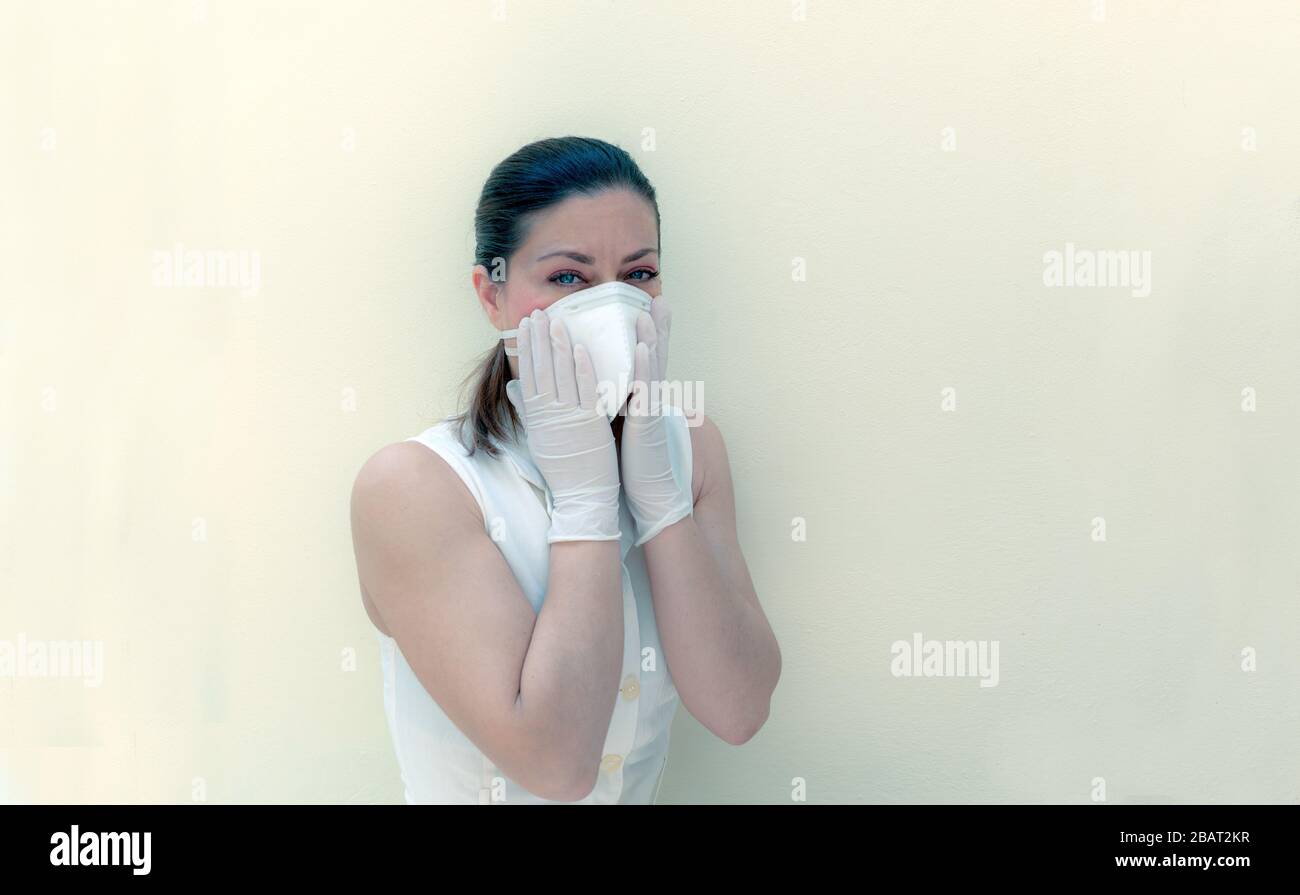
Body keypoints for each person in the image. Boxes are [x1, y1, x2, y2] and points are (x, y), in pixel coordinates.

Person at [349, 136, 781, 804]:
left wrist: (663, 504)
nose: (610, 307)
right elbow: (557, 766)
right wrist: (586, 502)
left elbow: (740, 708)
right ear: (491, 296)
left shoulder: (693, 449)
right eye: (568, 278)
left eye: (638, 274)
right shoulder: (414, 488)